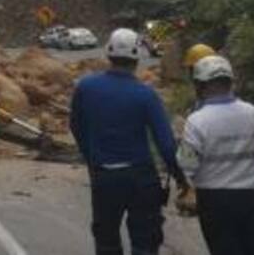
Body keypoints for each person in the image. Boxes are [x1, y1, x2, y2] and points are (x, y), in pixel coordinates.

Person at [70, 28, 189, 255]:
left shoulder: (85, 88)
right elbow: (166, 145)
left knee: (106, 241)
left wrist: (91, 157)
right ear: (137, 57)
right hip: (141, 179)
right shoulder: (146, 95)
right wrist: (181, 178)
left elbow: (76, 127)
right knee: (145, 241)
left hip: (104, 177)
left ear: (108, 54)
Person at [177, 55, 254, 255]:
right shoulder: (252, 112)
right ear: (230, 82)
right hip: (251, 196)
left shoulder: (197, 121)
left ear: (200, 85)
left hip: (214, 201)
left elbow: (187, 164)